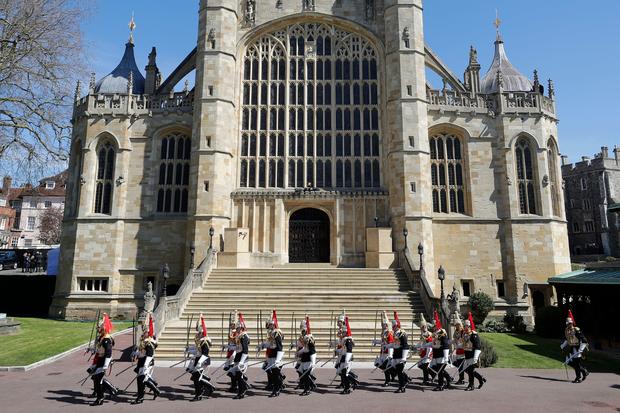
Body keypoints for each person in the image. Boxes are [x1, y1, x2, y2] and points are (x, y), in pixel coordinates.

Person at [88, 313, 118, 406]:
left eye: (100, 328)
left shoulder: (106, 339)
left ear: (104, 329)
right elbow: (99, 350)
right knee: (96, 379)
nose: (98, 329)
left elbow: (108, 353)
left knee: (97, 379)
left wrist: (105, 365)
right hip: (100, 360)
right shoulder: (102, 338)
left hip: (104, 361)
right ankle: (101, 397)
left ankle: (101, 397)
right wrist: (92, 350)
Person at [131, 312, 161, 404]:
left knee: (141, 379)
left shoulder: (149, 342)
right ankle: (154, 390)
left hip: (147, 362)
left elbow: (149, 355)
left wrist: (145, 365)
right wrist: (135, 353)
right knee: (142, 378)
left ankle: (141, 397)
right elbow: (142, 352)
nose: (143, 333)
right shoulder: (144, 340)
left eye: (145, 332)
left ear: (148, 333)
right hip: (142, 361)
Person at [188, 313, 214, 401]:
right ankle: (207, 389)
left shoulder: (205, 340)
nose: (197, 331)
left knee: (196, 378)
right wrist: (190, 350)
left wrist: (199, 362)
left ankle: (199, 394)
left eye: (199, 328)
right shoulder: (198, 337)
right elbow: (197, 350)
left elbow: (205, 353)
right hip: (198, 359)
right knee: (195, 377)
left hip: (203, 361)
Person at [258, 309, 285, 397]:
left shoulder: (277, 333)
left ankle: (277, 389)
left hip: (276, 355)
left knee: (276, 374)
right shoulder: (271, 333)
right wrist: (263, 345)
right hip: (271, 355)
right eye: (268, 325)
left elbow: (279, 347)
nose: (269, 326)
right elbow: (270, 344)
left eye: (270, 324)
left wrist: (278, 359)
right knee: (273, 374)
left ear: (273, 324)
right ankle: (275, 388)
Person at [561, 310, 589, 383]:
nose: (569, 325)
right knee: (571, 362)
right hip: (572, 348)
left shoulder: (576, 330)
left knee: (576, 364)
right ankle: (584, 371)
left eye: (570, 323)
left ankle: (578, 377)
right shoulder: (567, 330)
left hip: (578, 348)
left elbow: (584, 340)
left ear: (572, 323)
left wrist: (581, 349)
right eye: (567, 324)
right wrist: (562, 345)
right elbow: (568, 339)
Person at [335, 312, 359, 394]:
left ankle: (350, 385)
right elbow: (341, 349)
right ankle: (348, 386)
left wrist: (346, 360)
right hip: (343, 357)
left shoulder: (348, 340)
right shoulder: (343, 339)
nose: (341, 334)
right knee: (341, 372)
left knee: (345, 374)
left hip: (347, 358)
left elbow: (349, 351)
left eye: (343, 333)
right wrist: (337, 351)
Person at [462, 312, 486, 391]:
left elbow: (478, 347)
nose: (464, 327)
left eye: (465, 326)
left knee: (470, 370)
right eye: (464, 326)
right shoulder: (465, 335)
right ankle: (480, 378)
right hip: (467, 355)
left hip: (473, 355)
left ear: (469, 326)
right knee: (468, 370)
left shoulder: (474, 335)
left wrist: (475, 357)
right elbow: (464, 344)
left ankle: (471, 385)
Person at [230, 312, 250, 399]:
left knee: (239, 376)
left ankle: (241, 392)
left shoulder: (243, 336)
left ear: (240, 328)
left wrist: (242, 361)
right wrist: (229, 347)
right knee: (237, 376)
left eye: (237, 328)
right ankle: (242, 389)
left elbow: (245, 350)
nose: (236, 330)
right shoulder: (239, 336)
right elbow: (238, 348)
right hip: (238, 358)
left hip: (242, 359)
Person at [372, 311, 395, 387]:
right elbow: (382, 342)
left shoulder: (389, 333)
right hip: (382, 352)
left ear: (387, 325)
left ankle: (387, 381)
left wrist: (390, 354)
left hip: (387, 353)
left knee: (386, 368)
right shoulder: (383, 333)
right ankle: (393, 375)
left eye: (384, 324)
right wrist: (376, 341)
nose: (383, 325)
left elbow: (391, 344)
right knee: (382, 366)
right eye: (382, 324)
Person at [430, 311, 451, 391]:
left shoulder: (442, 333)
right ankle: (448, 379)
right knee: (436, 369)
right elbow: (433, 343)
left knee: (440, 371)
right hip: (436, 354)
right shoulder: (435, 333)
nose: (433, 327)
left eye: (434, 325)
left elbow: (445, 345)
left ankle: (441, 385)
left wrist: (446, 357)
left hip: (441, 354)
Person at [296, 315, 317, 396]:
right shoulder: (304, 337)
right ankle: (307, 386)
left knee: (306, 374)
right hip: (304, 358)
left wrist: (313, 362)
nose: (302, 331)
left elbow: (309, 349)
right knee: (302, 372)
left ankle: (307, 389)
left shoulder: (309, 338)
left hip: (308, 358)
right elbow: (303, 347)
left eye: (304, 329)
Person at [390, 311, 410, 393]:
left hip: (401, 355)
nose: (392, 327)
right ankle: (405, 381)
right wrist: (386, 346)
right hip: (396, 354)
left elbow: (405, 346)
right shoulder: (395, 334)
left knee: (399, 372)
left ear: (396, 325)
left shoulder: (402, 334)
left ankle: (402, 386)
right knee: (397, 371)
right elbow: (394, 344)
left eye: (393, 326)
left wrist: (404, 357)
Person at [416, 314, 435, 385]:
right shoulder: (422, 334)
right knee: (421, 366)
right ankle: (431, 376)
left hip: (428, 352)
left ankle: (426, 379)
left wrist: (428, 354)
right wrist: (416, 346)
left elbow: (430, 344)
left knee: (425, 366)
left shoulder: (429, 334)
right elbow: (421, 343)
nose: (423, 328)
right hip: (423, 352)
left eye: (424, 327)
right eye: (422, 327)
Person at [223, 311, 238, 393]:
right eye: (231, 324)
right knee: (230, 370)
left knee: (233, 371)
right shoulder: (231, 332)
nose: (231, 325)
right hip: (230, 352)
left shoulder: (236, 333)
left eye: (232, 324)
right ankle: (233, 385)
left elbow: (236, 345)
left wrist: (228, 346)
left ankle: (235, 386)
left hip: (234, 353)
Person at [452, 313, 466, 385]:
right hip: (458, 351)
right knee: (459, 366)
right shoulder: (455, 332)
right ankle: (461, 379)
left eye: (458, 325)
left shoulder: (463, 332)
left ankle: (462, 379)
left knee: (463, 367)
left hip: (463, 351)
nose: (457, 326)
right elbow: (454, 340)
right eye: (456, 325)